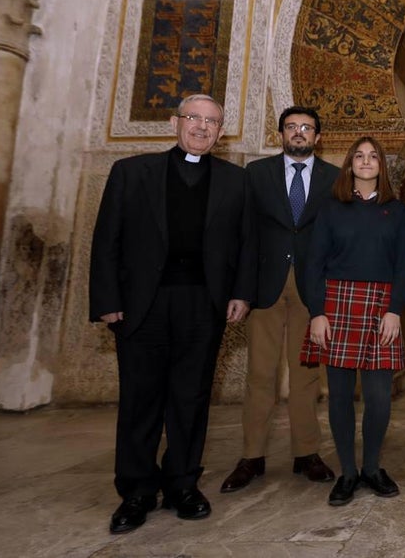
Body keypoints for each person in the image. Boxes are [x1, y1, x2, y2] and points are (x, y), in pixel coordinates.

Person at [89, 94, 254, 534]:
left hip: (203, 305)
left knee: (191, 397)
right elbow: (107, 239)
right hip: (142, 304)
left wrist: (241, 293)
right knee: (140, 399)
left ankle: (182, 482)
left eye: (212, 122)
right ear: (174, 122)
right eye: (194, 118)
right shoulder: (131, 172)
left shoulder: (236, 181)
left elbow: (245, 245)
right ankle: (137, 490)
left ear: (222, 132)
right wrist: (107, 300)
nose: (202, 127)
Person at [219, 107, 337, 494]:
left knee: (305, 376)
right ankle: (252, 455)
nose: (299, 133)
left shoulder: (333, 178)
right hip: (264, 289)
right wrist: (241, 290)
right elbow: (241, 234)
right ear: (281, 133)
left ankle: (307, 453)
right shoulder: (256, 174)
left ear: (318, 136)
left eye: (306, 128)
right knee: (260, 375)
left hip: (311, 292)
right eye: (292, 127)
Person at [300, 137, 405, 506]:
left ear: (382, 165)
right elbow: (314, 264)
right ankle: (348, 472)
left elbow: (403, 266)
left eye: (373, 156)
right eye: (359, 156)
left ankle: (372, 468)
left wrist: (394, 309)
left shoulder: (397, 211)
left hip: (382, 306)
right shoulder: (331, 209)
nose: (366, 162)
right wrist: (317, 312)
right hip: (337, 305)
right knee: (340, 397)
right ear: (349, 165)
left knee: (379, 398)